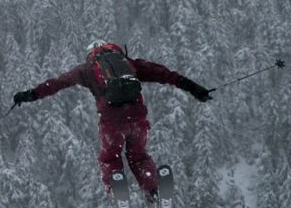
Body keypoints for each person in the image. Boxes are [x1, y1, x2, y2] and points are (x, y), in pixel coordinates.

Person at [12, 41, 213, 199]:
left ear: (91, 54)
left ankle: (116, 187)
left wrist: (30, 94)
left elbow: (56, 84)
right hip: (137, 119)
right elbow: (167, 75)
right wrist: (196, 89)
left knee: (110, 158)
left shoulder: (86, 70)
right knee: (139, 157)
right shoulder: (130, 64)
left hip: (111, 122)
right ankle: (152, 188)